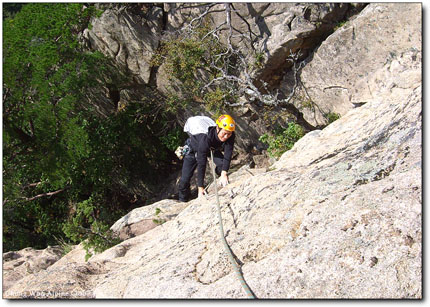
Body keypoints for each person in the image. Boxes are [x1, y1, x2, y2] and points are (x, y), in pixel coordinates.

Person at [178, 114, 236, 202]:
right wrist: (200, 187)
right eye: (224, 133)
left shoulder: (230, 135)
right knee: (185, 180)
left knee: (222, 166)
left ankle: (219, 176)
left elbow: (228, 153)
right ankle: (183, 200)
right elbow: (202, 164)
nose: (226, 137)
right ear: (218, 128)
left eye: (228, 134)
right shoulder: (205, 139)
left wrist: (224, 173)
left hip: (212, 149)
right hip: (193, 150)